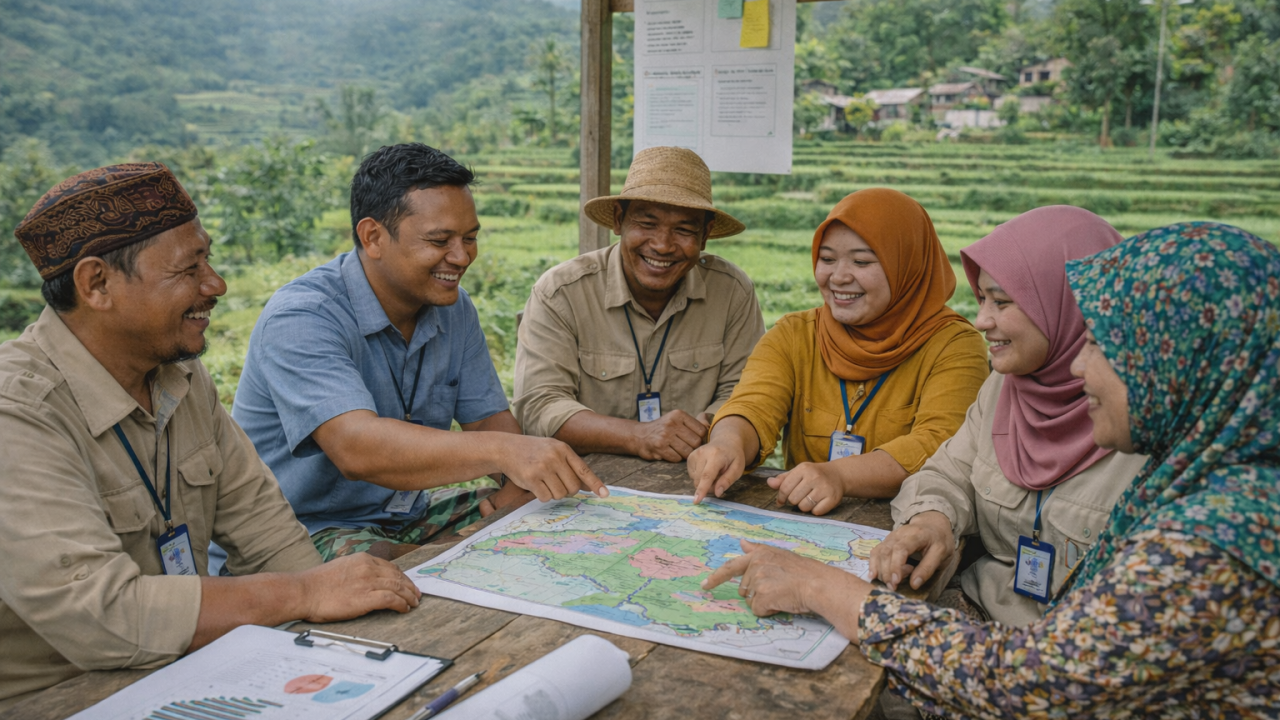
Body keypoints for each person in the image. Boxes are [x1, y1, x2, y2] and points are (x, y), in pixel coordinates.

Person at [704, 222, 1280, 716]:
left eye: (1104, 346)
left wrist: (824, 589)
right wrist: (934, 519)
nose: (1080, 364)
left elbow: (1031, 685)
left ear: (1182, 364)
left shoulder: (1216, 538)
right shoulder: (1206, 475)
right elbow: (948, 470)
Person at [0, 163, 420, 710]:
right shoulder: (18, 413)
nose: (215, 284)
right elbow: (102, 617)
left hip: (191, 671)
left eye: (209, 259)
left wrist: (335, 611)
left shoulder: (181, 376)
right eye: (188, 269)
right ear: (96, 283)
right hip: (62, 697)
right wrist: (306, 593)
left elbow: (268, 535)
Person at [228, 143, 605, 564]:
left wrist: (520, 482)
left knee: (556, 513)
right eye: (440, 240)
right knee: (390, 569)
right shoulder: (303, 317)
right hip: (298, 530)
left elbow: (486, 420)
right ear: (373, 237)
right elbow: (356, 449)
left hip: (401, 516)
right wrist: (507, 454)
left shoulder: (454, 308)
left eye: (470, 238)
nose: (461, 257)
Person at [871, 206, 1148, 628]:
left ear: (1069, 305)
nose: (981, 320)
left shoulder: (1146, 422)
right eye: (982, 299)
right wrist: (932, 519)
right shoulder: (1008, 384)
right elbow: (949, 471)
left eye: (1002, 301)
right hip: (978, 611)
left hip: (1068, 650)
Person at [687, 188, 989, 510]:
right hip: (803, 522)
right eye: (827, 259)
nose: (839, 277)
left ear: (907, 264)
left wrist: (839, 476)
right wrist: (728, 443)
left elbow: (939, 445)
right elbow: (753, 404)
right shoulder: (793, 335)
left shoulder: (954, 345)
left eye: (861, 261)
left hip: (909, 526)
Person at [512, 146, 765, 462]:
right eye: (647, 224)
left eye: (684, 230)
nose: (662, 245)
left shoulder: (731, 292)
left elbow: (747, 393)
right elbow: (539, 405)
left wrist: (708, 431)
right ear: (619, 220)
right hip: (586, 483)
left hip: (695, 477)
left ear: (705, 236)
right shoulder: (562, 293)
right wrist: (638, 436)